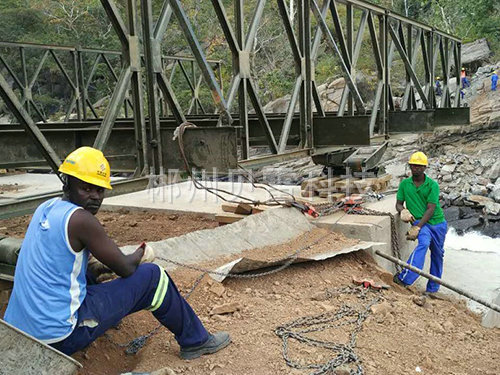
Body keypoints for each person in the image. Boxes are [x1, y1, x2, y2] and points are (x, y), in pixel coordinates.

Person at [3, 146, 231, 358]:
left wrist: (100, 266)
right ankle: (196, 341)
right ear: (67, 184)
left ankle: (104, 319)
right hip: (59, 337)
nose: (94, 196)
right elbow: (125, 268)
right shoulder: (82, 220)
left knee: (88, 272)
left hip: (18, 331)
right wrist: (140, 253)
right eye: (86, 188)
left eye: (99, 190)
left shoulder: (46, 207)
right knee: (153, 277)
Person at [393, 151, 448, 295]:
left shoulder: (432, 185)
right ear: (410, 166)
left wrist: (417, 227)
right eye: (414, 165)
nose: (416, 168)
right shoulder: (405, 184)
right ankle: (405, 279)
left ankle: (432, 289)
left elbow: (431, 208)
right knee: (423, 244)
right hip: (419, 221)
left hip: (436, 223)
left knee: (437, 254)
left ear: (425, 168)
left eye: (419, 166)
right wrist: (403, 211)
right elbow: (398, 203)